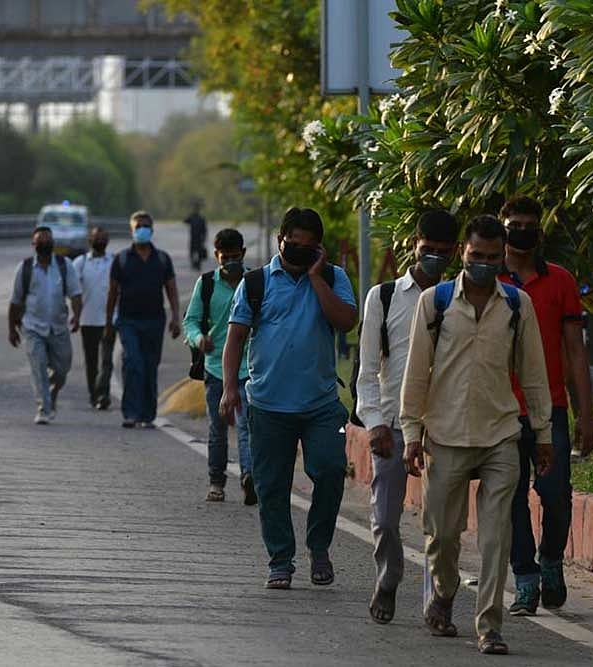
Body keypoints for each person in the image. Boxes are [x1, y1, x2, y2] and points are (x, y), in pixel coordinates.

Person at [401, 214, 552, 656]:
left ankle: (489, 625)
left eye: (491, 257)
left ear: (502, 255)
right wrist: (412, 432)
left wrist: (542, 432)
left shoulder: (517, 306)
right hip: (445, 434)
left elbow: (534, 373)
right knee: (442, 534)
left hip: (500, 434)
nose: (482, 264)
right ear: (461, 254)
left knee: (495, 536)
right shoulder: (437, 302)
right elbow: (415, 375)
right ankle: (444, 592)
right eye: (474, 256)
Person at [221, 207, 358, 590]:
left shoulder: (333, 278)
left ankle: (319, 548)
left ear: (318, 249)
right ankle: (280, 559)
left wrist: (316, 279)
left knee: (331, 470)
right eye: (292, 245)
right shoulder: (256, 283)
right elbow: (235, 338)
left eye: (307, 248)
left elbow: (346, 322)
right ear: (280, 240)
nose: (297, 252)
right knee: (271, 486)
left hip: (320, 404)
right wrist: (230, 387)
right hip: (268, 405)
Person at [355, 210, 459, 624]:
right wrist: (375, 422)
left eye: (441, 251)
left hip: (443, 427)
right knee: (384, 519)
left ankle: (438, 603)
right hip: (393, 427)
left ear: (454, 253)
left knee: (441, 525)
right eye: (426, 249)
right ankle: (389, 575)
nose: (432, 256)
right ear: (413, 244)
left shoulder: (460, 299)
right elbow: (365, 371)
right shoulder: (383, 297)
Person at [499, 195, 593, 615]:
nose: (522, 230)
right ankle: (525, 578)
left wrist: (586, 415)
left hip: (550, 408)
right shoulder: (487, 280)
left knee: (555, 494)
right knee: (508, 496)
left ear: (540, 230)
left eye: (530, 224)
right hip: (499, 409)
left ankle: (551, 559)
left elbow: (575, 350)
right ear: (503, 227)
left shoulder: (560, 281)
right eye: (514, 223)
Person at [183, 228, 255, 505]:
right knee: (218, 428)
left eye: (235, 257)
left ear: (243, 254)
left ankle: (249, 476)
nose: (230, 263)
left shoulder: (254, 282)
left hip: (249, 367)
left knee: (247, 424)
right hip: (215, 367)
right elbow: (191, 320)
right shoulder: (207, 284)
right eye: (225, 258)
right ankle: (217, 481)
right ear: (216, 256)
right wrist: (199, 339)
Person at [104, 211, 181, 428]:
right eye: (138, 226)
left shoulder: (162, 259)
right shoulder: (121, 259)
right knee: (133, 363)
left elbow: (172, 290)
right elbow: (112, 293)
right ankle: (130, 413)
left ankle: (148, 414)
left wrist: (175, 317)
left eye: (145, 226)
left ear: (152, 229)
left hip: (154, 321)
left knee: (149, 366)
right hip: (128, 321)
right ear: (132, 230)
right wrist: (109, 322)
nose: (142, 230)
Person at [9, 227, 82, 425]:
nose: (43, 243)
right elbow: (15, 301)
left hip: (58, 327)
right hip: (33, 327)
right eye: (39, 240)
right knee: (38, 366)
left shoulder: (64, 265)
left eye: (47, 239)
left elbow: (75, 294)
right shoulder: (24, 269)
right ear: (34, 245)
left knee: (62, 370)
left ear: (52, 244)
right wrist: (11, 329)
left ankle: (52, 392)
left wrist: (77, 315)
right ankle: (43, 408)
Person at [74, 226, 115, 410]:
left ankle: (103, 394)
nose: (100, 241)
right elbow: (73, 291)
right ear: (89, 241)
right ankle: (93, 393)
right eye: (96, 238)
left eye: (103, 237)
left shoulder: (115, 262)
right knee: (91, 360)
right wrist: (74, 315)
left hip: (110, 320)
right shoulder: (80, 263)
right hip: (87, 319)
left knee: (106, 360)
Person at [184, 203, 208, 270]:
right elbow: (205, 230)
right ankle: (197, 264)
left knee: (193, 252)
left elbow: (185, 221)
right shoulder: (201, 218)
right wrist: (204, 239)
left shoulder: (193, 218)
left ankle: (195, 264)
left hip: (194, 238)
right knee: (197, 252)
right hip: (199, 239)